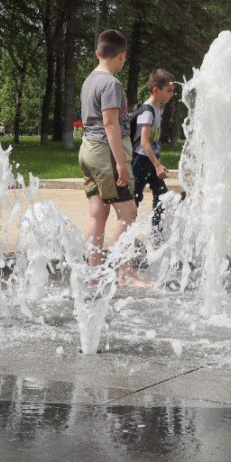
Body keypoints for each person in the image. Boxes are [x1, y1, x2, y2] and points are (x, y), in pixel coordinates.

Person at [78, 29, 146, 285]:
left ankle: (93, 275)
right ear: (122, 57)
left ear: (98, 53)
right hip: (105, 151)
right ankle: (125, 274)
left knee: (98, 213)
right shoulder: (111, 84)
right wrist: (120, 162)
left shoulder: (89, 80)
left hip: (87, 149)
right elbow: (110, 123)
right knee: (128, 212)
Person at [132, 69, 176, 230]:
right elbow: (144, 142)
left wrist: (156, 163)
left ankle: (157, 231)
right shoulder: (148, 111)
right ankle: (125, 238)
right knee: (134, 200)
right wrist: (157, 165)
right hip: (140, 161)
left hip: (149, 160)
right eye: (169, 91)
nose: (171, 94)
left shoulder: (158, 109)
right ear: (156, 90)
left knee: (162, 195)